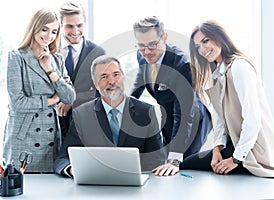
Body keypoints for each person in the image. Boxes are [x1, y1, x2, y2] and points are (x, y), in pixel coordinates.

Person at [181, 20, 274, 178]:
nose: (202, 49)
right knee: (189, 163)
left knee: (187, 164)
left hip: (252, 149)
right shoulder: (219, 75)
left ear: (219, 37)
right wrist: (217, 149)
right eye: (197, 47)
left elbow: (253, 119)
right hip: (235, 144)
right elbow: (222, 121)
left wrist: (235, 159)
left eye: (205, 41)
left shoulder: (239, 67)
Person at [54, 55, 165, 177]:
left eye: (116, 74)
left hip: (135, 184)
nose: (111, 81)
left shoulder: (146, 112)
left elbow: (157, 159)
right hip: (96, 184)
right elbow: (63, 158)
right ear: (96, 84)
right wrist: (72, 169)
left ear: (124, 77)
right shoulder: (82, 114)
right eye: (104, 77)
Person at [131, 16, 212, 176]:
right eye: (141, 46)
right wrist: (125, 105)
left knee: (182, 166)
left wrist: (175, 158)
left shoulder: (182, 65)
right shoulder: (142, 56)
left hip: (192, 119)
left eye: (152, 45)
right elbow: (139, 82)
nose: (147, 52)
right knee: (164, 167)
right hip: (169, 115)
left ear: (164, 38)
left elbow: (185, 114)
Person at [2, 8, 76, 172]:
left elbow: (70, 97)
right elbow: (17, 103)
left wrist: (50, 69)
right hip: (23, 136)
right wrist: (52, 100)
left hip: (50, 137)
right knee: (19, 189)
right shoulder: (17, 57)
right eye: (44, 29)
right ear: (34, 27)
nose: (48, 36)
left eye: (54, 31)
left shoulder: (57, 59)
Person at [58, 1, 106, 139]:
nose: (75, 31)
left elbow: (103, 91)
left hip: (84, 124)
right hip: (51, 124)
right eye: (69, 26)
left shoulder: (98, 53)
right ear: (60, 26)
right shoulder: (49, 51)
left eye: (79, 25)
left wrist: (72, 100)